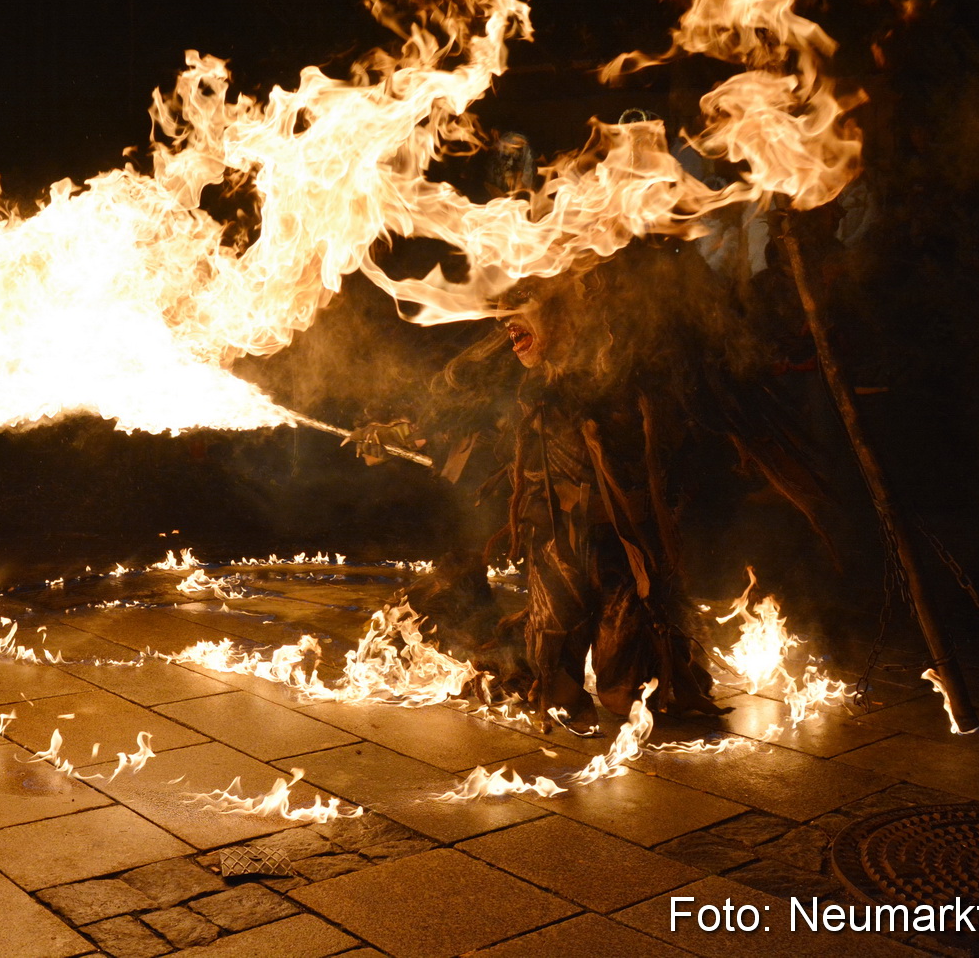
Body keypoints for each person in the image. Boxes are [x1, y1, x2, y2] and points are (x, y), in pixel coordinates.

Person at [351, 245, 837, 728]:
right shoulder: (523, 379)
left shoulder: (624, 367)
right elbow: (456, 397)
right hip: (556, 544)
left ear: (571, 306)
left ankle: (649, 669)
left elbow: (700, 404)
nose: (504, 318)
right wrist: (399, 428)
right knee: (556, 685)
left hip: (623, 552)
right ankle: (519, 663)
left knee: (628, 694)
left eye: (526, 297)